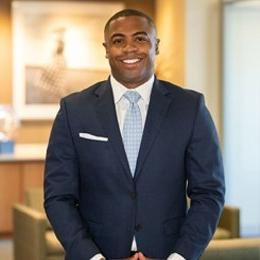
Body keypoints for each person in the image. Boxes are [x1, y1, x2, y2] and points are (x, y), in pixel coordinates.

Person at [44, 9, 225, 260]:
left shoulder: (190, 107)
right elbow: (58, 197)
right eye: (118, 41)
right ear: (106, 49)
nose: (129, 48)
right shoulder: (73, 110)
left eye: (140, 38)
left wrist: (179, 256)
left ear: (156, 46)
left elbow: (209, 192)